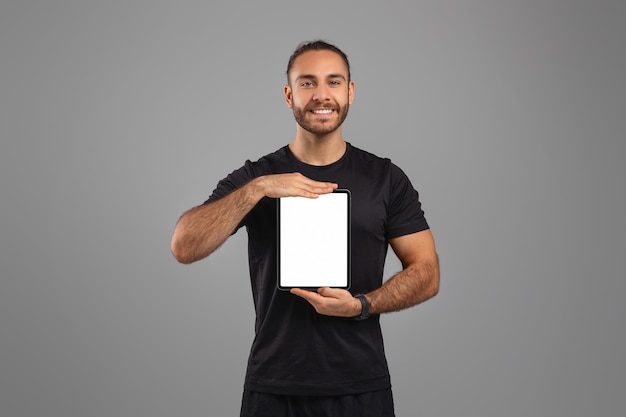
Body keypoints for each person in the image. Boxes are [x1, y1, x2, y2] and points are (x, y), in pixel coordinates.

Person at [171, 40, 440, 417]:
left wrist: (361, 306)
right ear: (289, 94)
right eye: (307, 83)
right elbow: (184, 245)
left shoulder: (385, 178)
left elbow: (427, 273)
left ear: (350, 91)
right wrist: (260, 189)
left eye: (333, 81)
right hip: (274, 388)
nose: (321, 95)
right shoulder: (256, 176)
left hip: (360, 386)